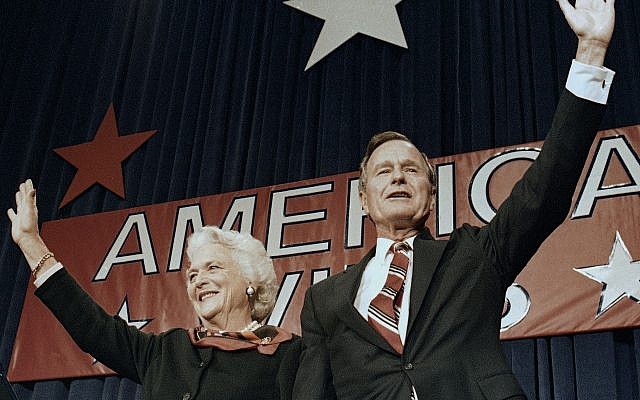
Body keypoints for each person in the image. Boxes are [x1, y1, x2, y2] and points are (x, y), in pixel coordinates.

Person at [293, 0, 616, 399]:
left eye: (411, 170)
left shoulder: (475, 257)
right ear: (363, 199)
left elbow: (545, 190)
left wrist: (591, 51)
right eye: (384, 171)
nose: (397, 176)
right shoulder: (325, 299)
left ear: (431, 195)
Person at [7, 180, 300, 400]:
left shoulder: (289, 354)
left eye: (213, 268)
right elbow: (90, 326)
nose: (198, 280)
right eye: (193, 274)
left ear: (251, 280)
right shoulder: (165, 351)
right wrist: (31, 242)